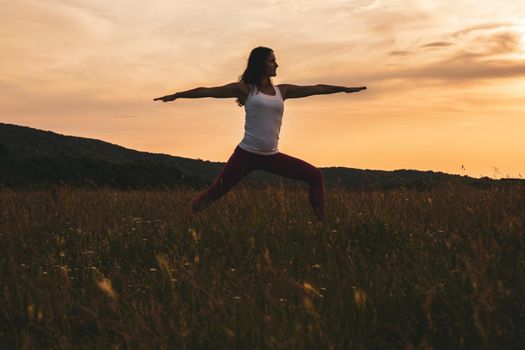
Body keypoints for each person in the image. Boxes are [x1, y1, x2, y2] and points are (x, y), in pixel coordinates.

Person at [154, 46, 366, 222]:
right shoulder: (245, 90)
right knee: (215, 193)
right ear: (260, 64)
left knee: (315, 176)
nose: (276, 65)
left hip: (271, 156)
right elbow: (208, 91)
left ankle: (322, 225)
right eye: (272, 61)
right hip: (246, 154)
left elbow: (317, 88)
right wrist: (178, 95)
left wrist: (344, 89)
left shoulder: (282, 91)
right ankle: (184, 219)